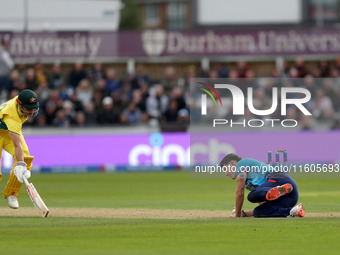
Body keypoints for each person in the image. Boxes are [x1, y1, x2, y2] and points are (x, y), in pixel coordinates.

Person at [219, 153, 305, 218]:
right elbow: (263, 202)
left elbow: (239, 193)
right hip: (290, 197)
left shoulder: (241, 164)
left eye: (226, 169)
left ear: (233, 164)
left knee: (251, 197)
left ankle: (278, 189)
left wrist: (237, 215)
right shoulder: (251, 182)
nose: (226, 174)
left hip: (279, 179)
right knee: (258, 212)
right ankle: (293, 211)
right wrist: (244, 213)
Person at [0, 89, 39, 209]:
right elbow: (17, 144)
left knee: (25, 159)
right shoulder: (12, 115)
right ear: (19, 104)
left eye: (33, 108)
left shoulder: (23, 98)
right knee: (22, 162)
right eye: (28, 109)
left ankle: (11, 193)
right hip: (8, 129)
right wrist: (20, 164)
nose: (31, 112)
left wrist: (22, 164)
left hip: (6, 131)